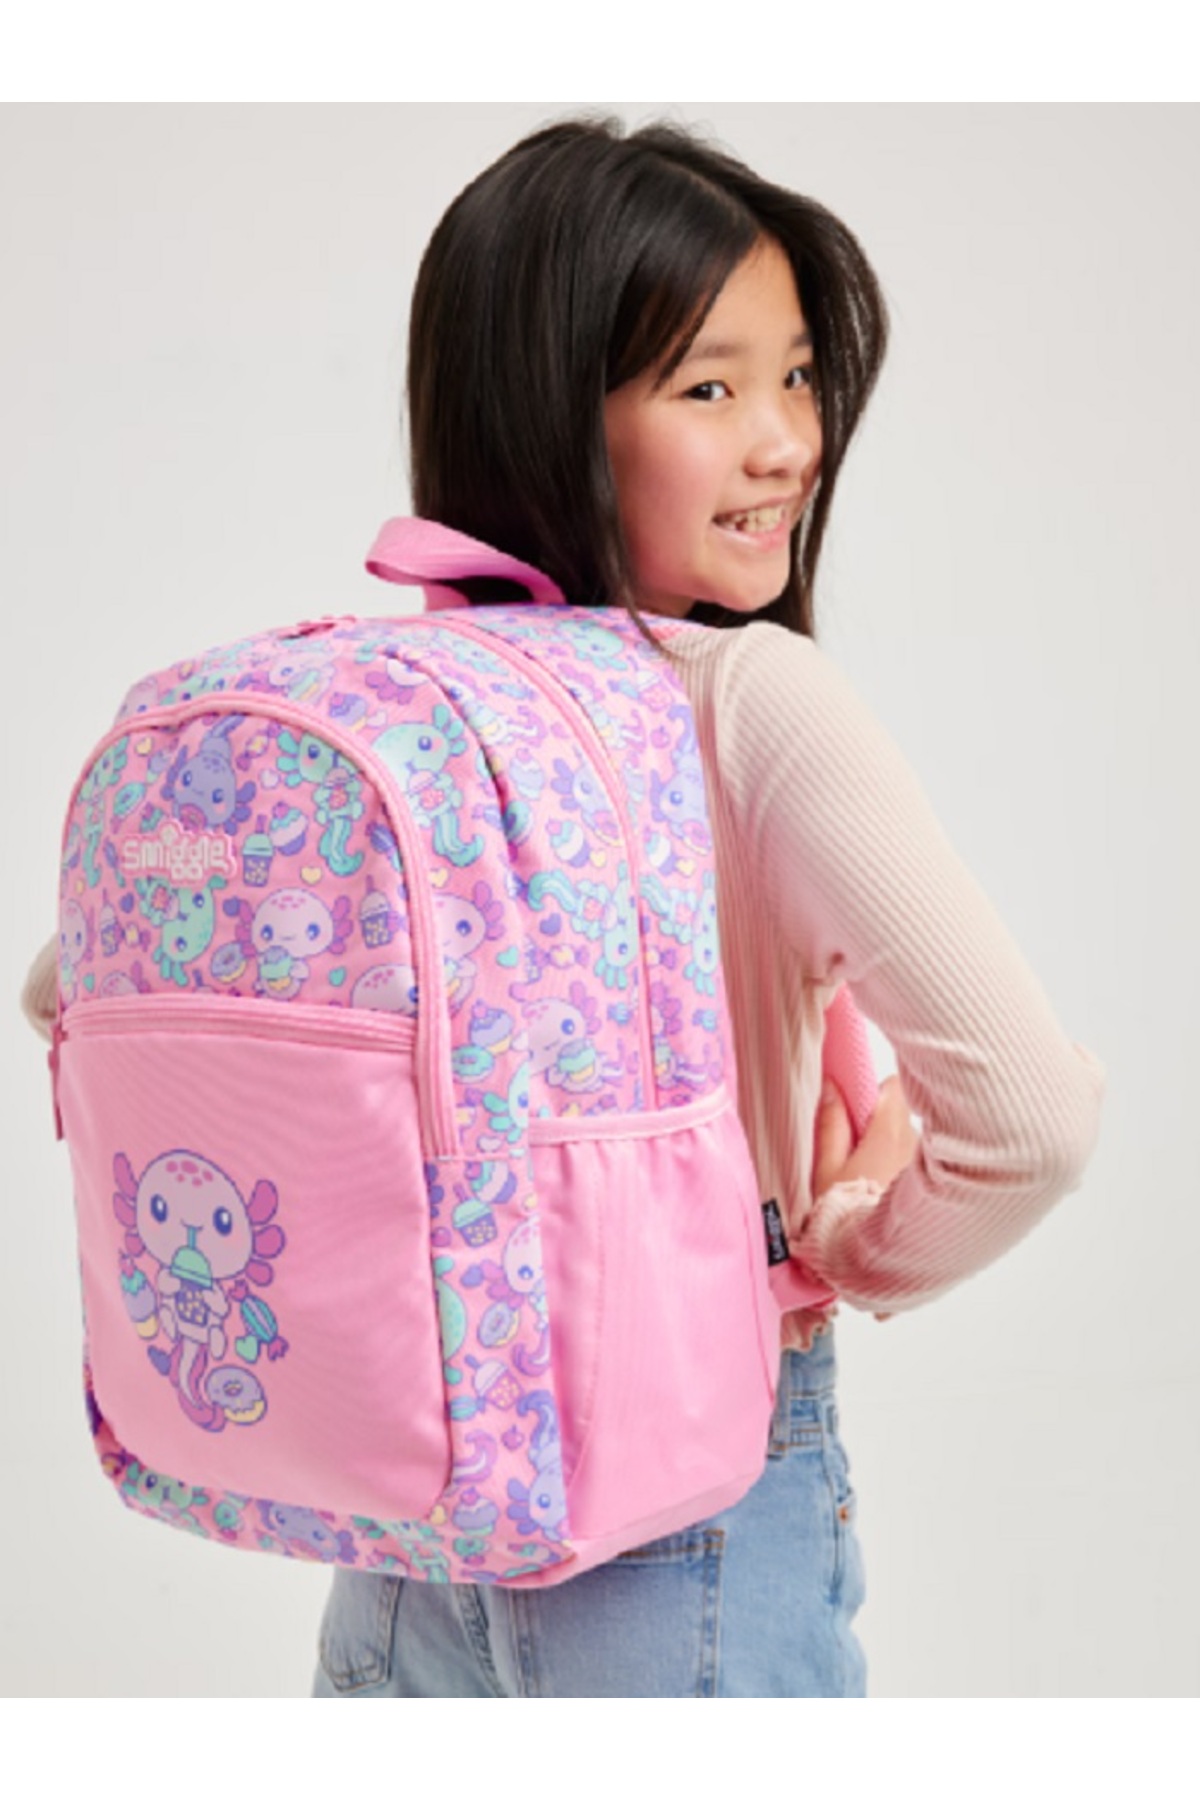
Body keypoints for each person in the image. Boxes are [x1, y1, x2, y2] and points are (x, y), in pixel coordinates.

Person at [22, 117, 1105, 1699]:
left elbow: (78, 986)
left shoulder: (396, 706)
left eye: (800, 376)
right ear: (552, 408)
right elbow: (1031, 1122)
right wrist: (846, 1248)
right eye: (709, 388)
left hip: (412, 1510)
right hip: (685, 1520)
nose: (785, 442)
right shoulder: (751, 699)